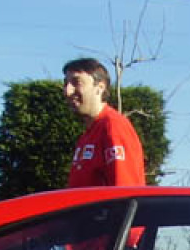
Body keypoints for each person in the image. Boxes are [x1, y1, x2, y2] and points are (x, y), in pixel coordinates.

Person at [62, 58, 146, 188]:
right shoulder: (87, 135)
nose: (67, 91)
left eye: (76, 82)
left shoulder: (113, 126)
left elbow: (125, 191)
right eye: (66, 83)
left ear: (100, 87)